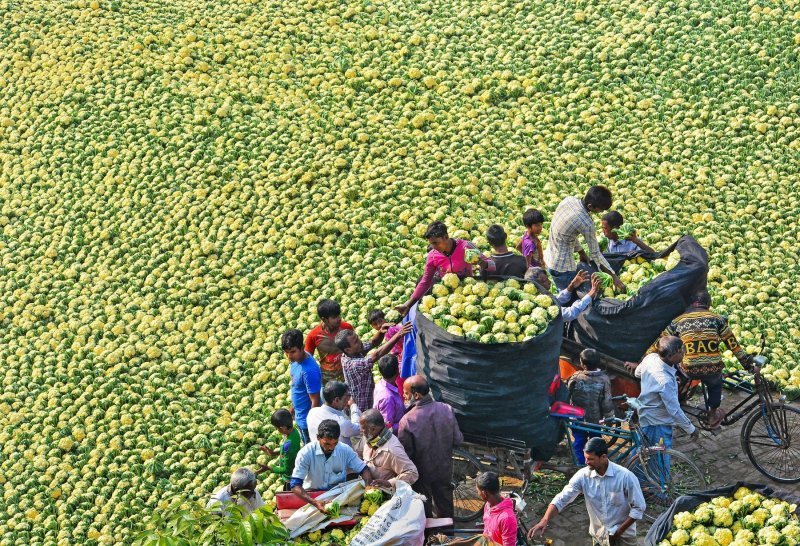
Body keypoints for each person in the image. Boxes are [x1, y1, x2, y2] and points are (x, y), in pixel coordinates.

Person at [643, 289, 752, 428]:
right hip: (712, 368)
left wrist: (644, 360)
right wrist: (747, 364)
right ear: (707, 304)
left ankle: (679, 401)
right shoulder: (717, 319)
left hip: (688, 369)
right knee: (715, 382)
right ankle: (712, 415)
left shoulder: (678, 320)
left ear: (692, 304)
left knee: (681, 372)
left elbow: (660, 343)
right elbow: (733, 344)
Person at [528, 438, 646, 546]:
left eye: (590, 459)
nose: (586, 462)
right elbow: (562, 498)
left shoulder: (625, 477)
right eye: (585, 458)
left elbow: (639, 507)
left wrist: (617, 533)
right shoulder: (583, 476)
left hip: (624, 536)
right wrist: (544, 520)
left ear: (603, 457)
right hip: (599, 535)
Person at [395, 221, 496, 316]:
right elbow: (425, 281)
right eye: (431, 243)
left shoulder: (466, 246)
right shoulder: (433, 255)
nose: (433, 247)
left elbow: (492, 265)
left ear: (446, 237)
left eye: (436, 243)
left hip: (467, 292)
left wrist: (481, 263)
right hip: (446, 295)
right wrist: (407, 304)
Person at [398, 375, 464, 518]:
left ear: (416, 395)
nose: (403, 395)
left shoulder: (407, 421)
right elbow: (458, 440)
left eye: (406, 393)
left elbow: (406, 455)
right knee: (445, 508)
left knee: (424, 510)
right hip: (444, 469)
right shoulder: (447, 409)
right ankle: (448, 537)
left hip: (422, 475)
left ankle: (429, 538)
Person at [544, 186, 625, 293]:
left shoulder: (568, 200)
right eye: (600, 209)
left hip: (550, 258)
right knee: (568, 297)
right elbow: (595, 254)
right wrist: (614, 277)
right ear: (590, 206)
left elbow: (566, 233)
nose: (601, 212)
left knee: (561, 292)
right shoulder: (586, 223)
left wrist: (581, 251)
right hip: (563, 268)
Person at [635, 337, 700, 471]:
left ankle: (641, 484)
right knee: (659, 462)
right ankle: (659, 490)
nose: (684, 353)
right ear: (671, 356)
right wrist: (691, 429)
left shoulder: (651, 358)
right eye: (681, 351)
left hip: (646, 414)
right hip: (657, 422)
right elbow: (674, 410)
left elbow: (638, 373)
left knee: (643, 453)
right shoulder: (664, 381)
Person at [290, 419, 380, 512]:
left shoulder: (345, 450)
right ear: (318, 437)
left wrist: (368, 485)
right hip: (312, 497)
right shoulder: (306, 453)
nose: (331, 447)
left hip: (338, 498)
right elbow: (295, 485)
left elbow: (363, 469)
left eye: (335, 443)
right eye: (327, 443)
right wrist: (315, 502)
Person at [336, 323, 412, 413]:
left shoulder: (354, 351)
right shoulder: (352, 364)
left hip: (369, 400)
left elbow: (373, 342)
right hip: (362, 408)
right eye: (356, 341)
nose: (360, 341)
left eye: (357, 338)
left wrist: (380, 332)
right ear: (347, 350)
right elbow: (377, 355)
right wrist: (398, 335)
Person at [568, 349, 614, 465]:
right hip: (595, 419)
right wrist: (609, 419)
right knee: (595, 442)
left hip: (577, 418)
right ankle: (594, 464)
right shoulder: (604, 380)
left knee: (578, 442)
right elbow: (607, 402)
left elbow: (567, 394)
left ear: (582, 364)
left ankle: (580, 465)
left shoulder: (576, 377)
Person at [282, 329, 322, 444]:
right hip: (300, 415)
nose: (289, 356)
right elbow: (296, 387)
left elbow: (315, 401)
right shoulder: (295, 361)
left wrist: (311, 424)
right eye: (287, 352)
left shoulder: (309, 371)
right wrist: (292, 408)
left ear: (302, 347)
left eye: (293, 351)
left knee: (310, 448)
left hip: (307, 421)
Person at [360, 409, 418, 484]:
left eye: (363, 429)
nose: (361, 431)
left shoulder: (392, 449)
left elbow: (412, 473)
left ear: (373, 429)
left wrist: (389, 483)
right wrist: (365, 470)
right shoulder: (369, 438)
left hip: (388, 493)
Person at [525, 268, 602, 322]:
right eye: (545, 280)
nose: (549, 282)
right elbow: (571, 313)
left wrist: (571, 286)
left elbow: (556, 300)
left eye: (547, 278)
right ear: (536, 285)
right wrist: (590, 294)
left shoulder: (542, 297)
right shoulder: (539, 307)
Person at [305, 299, 353, 384]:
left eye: (339, 315)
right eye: (335, 317)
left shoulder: (346, 328)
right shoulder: (313, 336)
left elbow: (357, 347)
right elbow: (307, 360)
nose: (339, 319)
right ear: (324, 319)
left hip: (349, 376)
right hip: (328, 381)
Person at [256, 409, 304, 490]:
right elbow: (287, 452)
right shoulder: (294, 432)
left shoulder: (288, 444)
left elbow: (286, 470)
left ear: (283, 428)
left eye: (277, 428)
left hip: (291, 478)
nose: (277, 430)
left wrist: (269, 468)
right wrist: (273, 453)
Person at [306, 381, 361, 447]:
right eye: (346, 397)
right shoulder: (341, 423)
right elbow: (358, 428)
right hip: (341, 456)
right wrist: (353, 406)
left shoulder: (312, 412)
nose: (348, 400)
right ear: (336, 400)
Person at [367, 309, 405, 391]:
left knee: (400, 381)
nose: (379, 325)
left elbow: (396, 349)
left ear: (385, 318)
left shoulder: (390, 330)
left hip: (403, 356)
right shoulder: (389, 328)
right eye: (375, 324)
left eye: (380, 321)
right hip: (403, 354)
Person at [477, 472, 518, 546]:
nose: (477, 494)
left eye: (478, 491)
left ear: (484, 493)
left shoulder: (507, 518)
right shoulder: (488, 505)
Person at [373, 355, 406, 433]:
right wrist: (407, 422)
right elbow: (388, 427)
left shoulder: (380, 383)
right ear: (397, 371)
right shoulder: (387, 398)